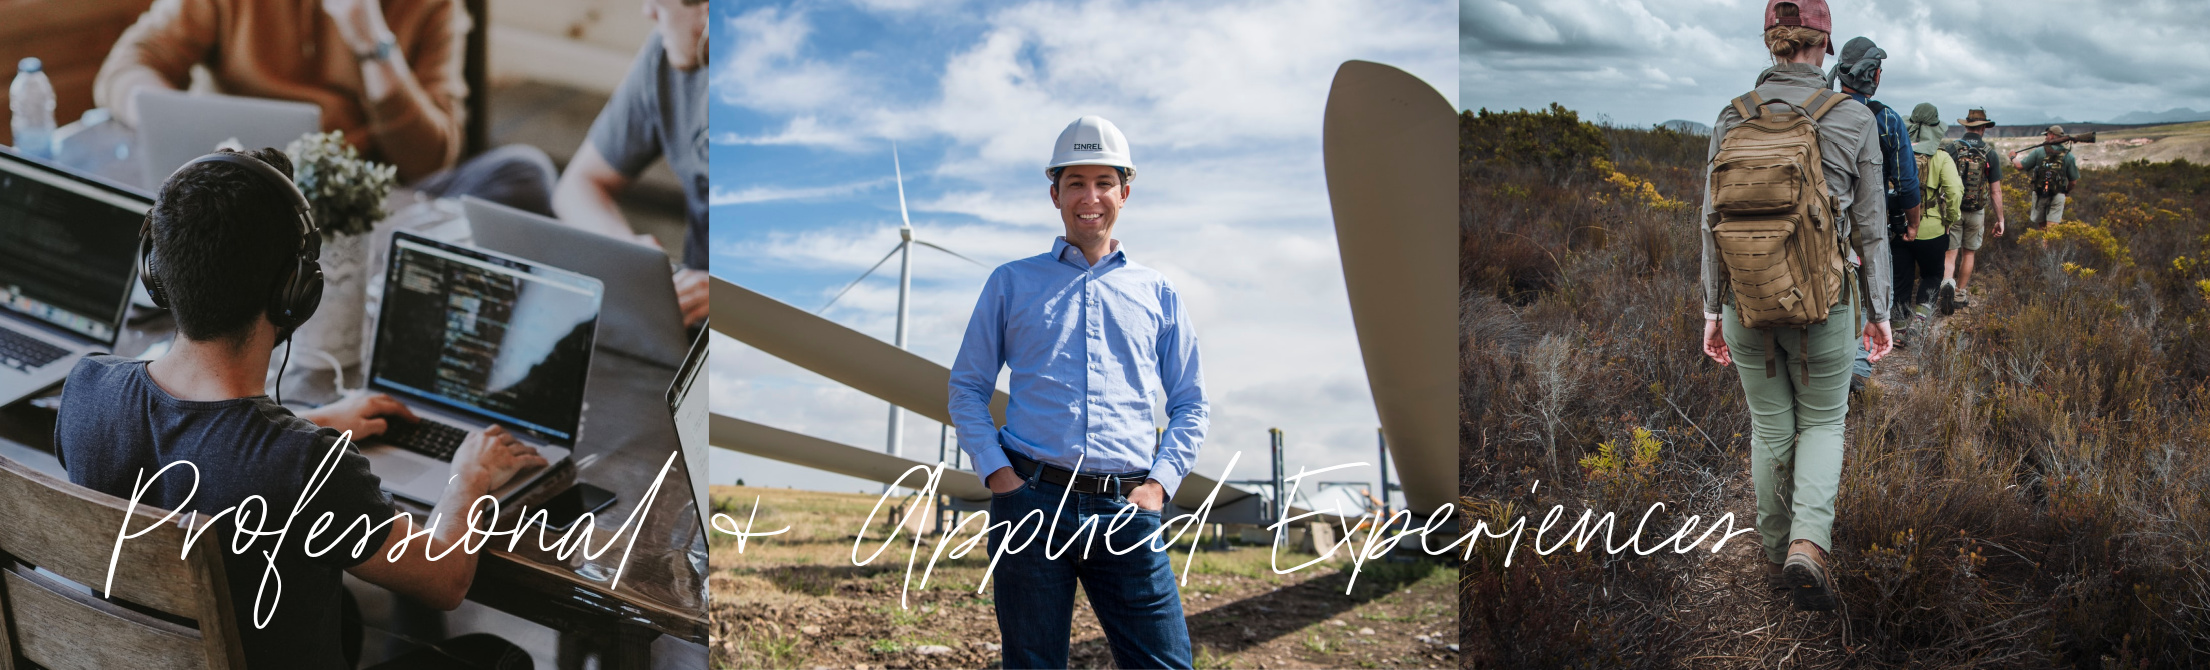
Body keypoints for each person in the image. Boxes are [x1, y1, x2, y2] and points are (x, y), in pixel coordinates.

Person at [53, 148, 544, 670]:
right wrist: (468, 477)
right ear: (296, 293)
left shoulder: (87, 390)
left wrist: (319, 420)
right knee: (499, 658)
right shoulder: (306, 466)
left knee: (344, 615)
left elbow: (192, 448)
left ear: (157, 267)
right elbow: (445, 579)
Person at [947, 116, 1209, 669]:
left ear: (1124, 192)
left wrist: (1159, 486)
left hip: (1128, 510)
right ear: (1055, 194)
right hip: (1031, 506)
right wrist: (1001, 478)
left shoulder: (1158, 293)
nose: (1090, 197)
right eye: (1075, 183)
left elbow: (1190, 403)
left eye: (1103, 182)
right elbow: (968, 387)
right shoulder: (1010, 283)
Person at [1697, 0, 1893, 612]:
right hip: (1825, 304)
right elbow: (1871, 228)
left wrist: (1711, 309)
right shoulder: (1852, 117)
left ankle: (1772, 543)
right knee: (1824, 422)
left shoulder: (1732, 117)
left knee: (1769, 424)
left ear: (1771, 42)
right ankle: (1808, 547)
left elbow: (1709, 223)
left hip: (1745, 301)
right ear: (1823, 45)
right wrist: (1881, 311)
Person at [95, 0, 558, 216]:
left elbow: (432, 159)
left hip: (366, 209)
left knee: (524, 173)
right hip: (236, 193)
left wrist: (371, 41)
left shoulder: (434, 6)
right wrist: (168, 121)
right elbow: (127, 68)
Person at [550, 0, 710, 329]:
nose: (648, 10)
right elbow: (578, 185)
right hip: (693, 328)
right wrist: (626, 251)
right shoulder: (665, 56)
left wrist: (741, 300)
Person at [1827, 36, 1917, 390]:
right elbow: (1907, 181)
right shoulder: (1887, 120)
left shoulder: (1821, 110)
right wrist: (1912, 223)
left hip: (1826, 224)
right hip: (1869, 221)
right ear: (1874, 75)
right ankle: (1857, 376)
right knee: (1868, 293)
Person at [1940, 108, 2006, 312]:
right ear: (1984, 127)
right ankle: (1959, 293)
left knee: (1950, 254)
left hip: (1953, 209)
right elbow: (1995, 192)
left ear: (1966, 126)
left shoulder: (1952, 148)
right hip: (1976, 211)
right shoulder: (1990, 153)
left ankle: (1947, 286)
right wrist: (2000, 219)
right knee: (1969, 253)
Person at [1900, 110, 1962, 323]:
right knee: (1933, 275)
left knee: (1901, 278)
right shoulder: (1942, 157)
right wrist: (1949, 220)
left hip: (1898, 226)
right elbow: (1954, 191)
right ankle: (1920, 320)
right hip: (1932, 229)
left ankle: (1898, 327)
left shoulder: (1897, 153)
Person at [2017, 124, 2080, 228]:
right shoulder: (2068, 155)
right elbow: (2073, 181)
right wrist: (2066, 192)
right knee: (2052, 229)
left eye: (2047, 135)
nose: (2045, 137)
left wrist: (2012, 157)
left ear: (2051, 135)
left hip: (2040, 193)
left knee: (2042, 227)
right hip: (2058, 194)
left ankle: (2042, 244)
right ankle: (2050, 244)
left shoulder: (2039, 151)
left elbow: (2019, 166)